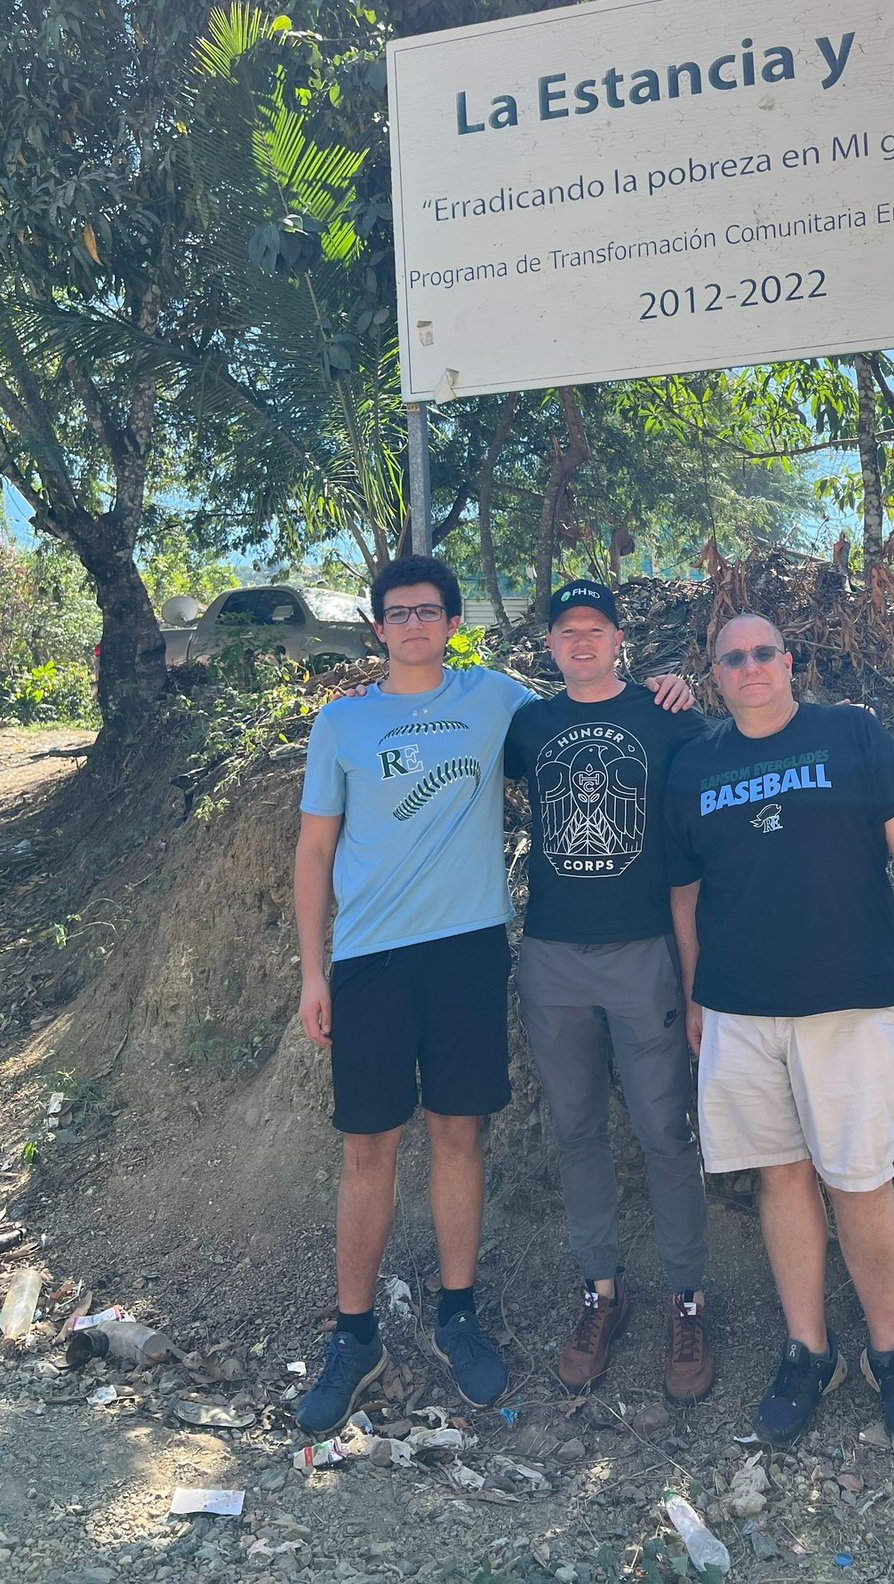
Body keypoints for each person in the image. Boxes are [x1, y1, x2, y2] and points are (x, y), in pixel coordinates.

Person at [293, 557, 690, 1435]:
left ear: (452, 621)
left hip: (471, 949)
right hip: (369, 960)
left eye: (430, 611)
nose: (415, 625)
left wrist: (668, 685)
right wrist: (313, 970)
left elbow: (590, 698)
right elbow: (315, 854)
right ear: (378, 628)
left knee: (458, 1134)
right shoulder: (342, 724)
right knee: (367, 1148)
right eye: (399, 614)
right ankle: (354, 1336)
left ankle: (457, 1316)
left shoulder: (497, 700)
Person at [665, 612, 894, 1452]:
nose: (749, 667)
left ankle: (891, 1353)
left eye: (763, 653)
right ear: (714, 674)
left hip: (850, 1001)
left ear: (789, 663)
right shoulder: (695, 766)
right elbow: (684, 897)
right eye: (732, 658)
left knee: (859, 1179)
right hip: (739, 1011)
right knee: (781, 1178)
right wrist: (693, 997)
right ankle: (807, 1351)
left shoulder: (850, 734)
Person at [503, 580, 713, 1401]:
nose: (581, 641)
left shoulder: (666, 716)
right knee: (577, 1130)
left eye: (595, 629)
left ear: (620, 639)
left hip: (644, 954)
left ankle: (687, 1299)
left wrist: (684, 685)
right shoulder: (528, 726)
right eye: (566, 631)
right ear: (550, 645)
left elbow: (721, 776)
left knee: (667, 1131)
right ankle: (602, 1291)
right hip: (553, 955)